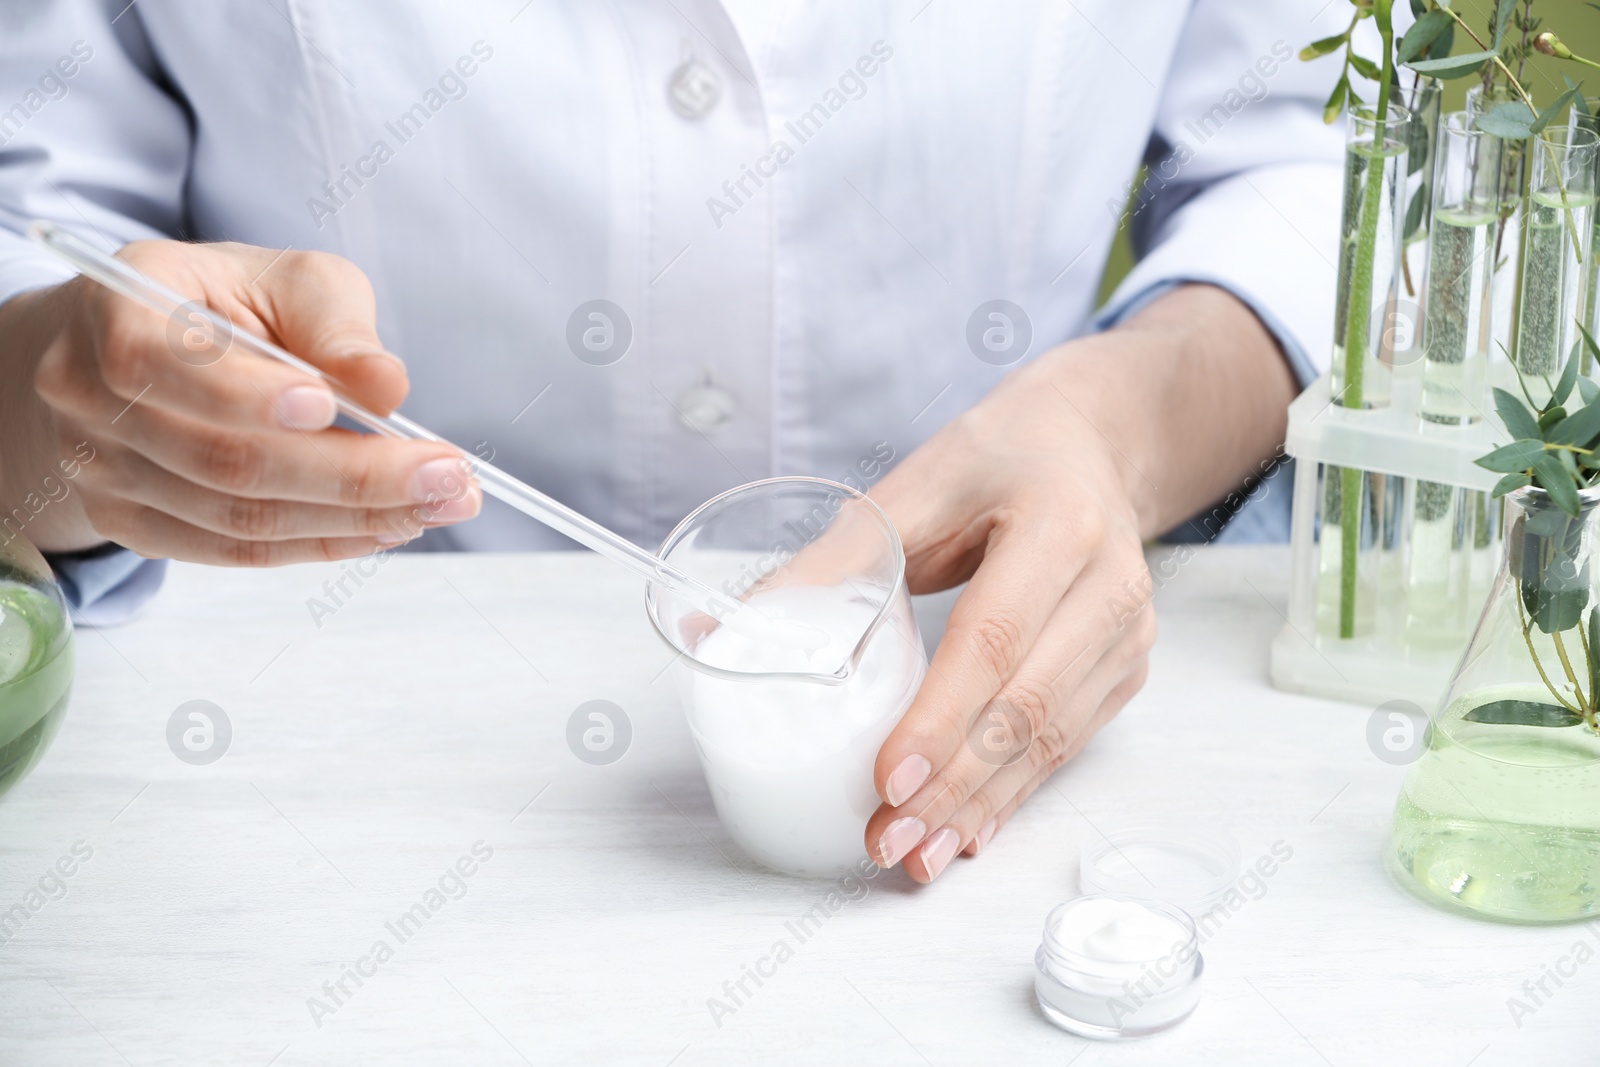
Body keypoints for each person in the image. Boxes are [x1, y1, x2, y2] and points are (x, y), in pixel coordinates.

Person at [0, 0, 1355, 883]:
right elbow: (36, 239)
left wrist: (1116, 427)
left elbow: (1292, 165)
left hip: (1005, 753)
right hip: (297, 815)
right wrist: (71, 399)